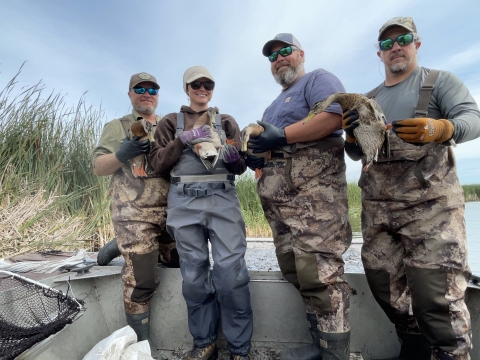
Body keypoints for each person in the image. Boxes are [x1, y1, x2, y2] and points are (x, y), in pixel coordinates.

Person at [344, 17, 480, 360]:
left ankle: (450, 354)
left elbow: (473, 119)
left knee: (436, 295)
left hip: (432, 211)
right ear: (379, 53)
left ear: (416, 43)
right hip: (379, 213)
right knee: (382, 284)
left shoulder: (438, 82)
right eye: (387, 44)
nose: (395, 48)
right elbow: (358, 152)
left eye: (402, 39)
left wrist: (441, 128)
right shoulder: (368, 99)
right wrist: (350, 136)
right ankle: (415, 348)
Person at [247, 34, 352, 360]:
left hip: (314, 204)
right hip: (280, 209)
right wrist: (257, 157)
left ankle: (335, 355)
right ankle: (319, 347)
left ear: (300, 54)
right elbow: (271, 146)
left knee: (320, 279)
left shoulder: (318, 80)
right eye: (273, 56)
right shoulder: (273, 105)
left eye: (285, 51)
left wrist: (283, 135)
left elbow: (336, 115)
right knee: (297, 273)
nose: (279, 58)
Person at [148, 66, 253, 360]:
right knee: (193, 276)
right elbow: (157, 163)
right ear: (186, 88)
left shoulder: (227, 121)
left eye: (207, 83)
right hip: (183, 203)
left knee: (231, 275)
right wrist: (182, 140)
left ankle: (239, 350)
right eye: (196, 84)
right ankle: (204, 343)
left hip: (223, 200)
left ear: (212, 88)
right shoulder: (170, 122)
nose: (202, 88)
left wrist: (234, 158)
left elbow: (240, 167)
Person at [92, 72, 178, 348]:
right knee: (142, 280)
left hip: (173, 217)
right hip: (135, 216)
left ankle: (123, 243)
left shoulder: (170, 125)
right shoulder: (118, 127)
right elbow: (98, 167)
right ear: (130, 94)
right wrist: (122, 153)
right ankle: (141, 349)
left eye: (152, 88)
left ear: (158, 94)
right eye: (139, 88)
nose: (146, 93)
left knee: (182, 263)